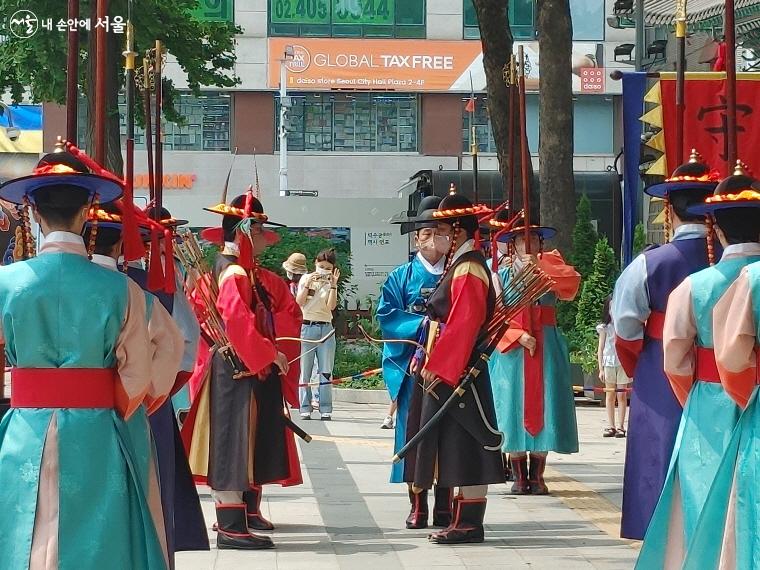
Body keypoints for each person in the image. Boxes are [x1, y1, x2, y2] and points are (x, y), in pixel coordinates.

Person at [0, 148, 170, 568]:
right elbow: (138, 375)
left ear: (34, 213)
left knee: (25, 525)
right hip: (96, 432)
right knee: (98, 538)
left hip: (24, 427)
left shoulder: (6, 283)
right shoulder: (122, 290)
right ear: (87, 211)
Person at [642, 172, 760, 569]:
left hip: (709, 404)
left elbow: (675, 360)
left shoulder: (694, 287)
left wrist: (695, 397)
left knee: (703, 496)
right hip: (747, 395)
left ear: (716, 227)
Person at [182, 192, 303, 550]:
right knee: (231, 441)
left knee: (237, 440)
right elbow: (236, 318)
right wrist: (268, 354)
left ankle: (235, 522)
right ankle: (231, 527)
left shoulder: (234, 269)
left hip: (240, 364)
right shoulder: (233, 271)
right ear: (246, 231)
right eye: (261, 231)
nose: (265, 239)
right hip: (236, 366)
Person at [611, 150, 720, 540]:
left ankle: (661, 532)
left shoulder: (650, 262)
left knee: (661, 448)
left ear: (668, 209)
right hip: (728, 367)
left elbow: (625, 325)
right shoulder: (732, 258)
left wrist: (639, 364)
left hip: (659, 367)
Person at [84, 202, 191, 565]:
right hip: (131, 406)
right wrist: (148, 393)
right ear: (122, 245)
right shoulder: (142, 286)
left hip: (43, 413)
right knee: (137, 499)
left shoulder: (25, 277)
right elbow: (178, 342)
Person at [408, 191, 505, 544]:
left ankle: (469, 523)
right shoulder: (463, 264)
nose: (439, 237)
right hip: (454, 367)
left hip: (459, 370)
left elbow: (464, 322)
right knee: (457, 444)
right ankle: (464, 520)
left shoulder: (468, 267)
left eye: (443, 230)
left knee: (468, 444)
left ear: (458, 232)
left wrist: (441, 365)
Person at [131, 206, 210, 558]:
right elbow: (185, 341)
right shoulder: (158, 283)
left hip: (54, 413)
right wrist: (161, 390)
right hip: (148, 400)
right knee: (152, 496)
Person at [377, 195, 455, 530]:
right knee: (415, 433)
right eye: (427, 232)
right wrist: (422, 326)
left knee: (448, 433)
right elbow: (387, 316)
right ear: (416, 238)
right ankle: (418, 503)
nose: (433, 238)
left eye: (440, 231)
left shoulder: (458, 272)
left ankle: (444, 504)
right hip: (415, 368)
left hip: (451, 365)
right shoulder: (400, 277)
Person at [488, 216, 581, 495]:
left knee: (548, 402)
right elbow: (492, 317)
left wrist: (539, 267)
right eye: (520, 241)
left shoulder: (550, 270)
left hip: (547, 345)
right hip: (512, 351)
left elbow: (571, 286)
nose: (527, 246)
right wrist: (517, 335)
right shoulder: (500, 278)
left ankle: (538, 474)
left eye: (533, 240)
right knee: (511, 406)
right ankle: (518, 473)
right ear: (512, 246)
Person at [296, 248, 340, 420]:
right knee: (305, 368)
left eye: (328, 268)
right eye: (321, 266)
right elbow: (299, 302)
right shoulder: (306, 278)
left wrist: (333, 284)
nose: (324, 271)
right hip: (308, 327)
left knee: (326, 370)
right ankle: (305, 406)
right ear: (315, 263)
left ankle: (326, 407)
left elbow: (331, 306)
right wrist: (308, 284)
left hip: (326, 328)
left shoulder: (331, 282)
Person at [596, 296, 630, 438]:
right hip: (609, 362)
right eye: (611, 307)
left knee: (622, 395)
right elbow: (601, 348)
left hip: (622, 363)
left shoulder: (625, 325)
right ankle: (611, 425)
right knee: (610, 395)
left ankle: (621, 426)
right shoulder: (604, 328)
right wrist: (601, 368)